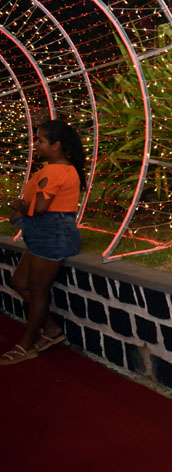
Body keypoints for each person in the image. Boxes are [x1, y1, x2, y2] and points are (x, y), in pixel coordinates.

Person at [1, 119, 85, 365]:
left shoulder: (57, 171)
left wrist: (21, 207)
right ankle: (51, 329)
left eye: (40, 140)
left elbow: (39, 208)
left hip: (53, 236)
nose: (36, 144)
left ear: (56, 145)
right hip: (43, 235)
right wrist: (22, 207)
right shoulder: (52, 169)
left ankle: (26, 345)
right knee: (19, 282)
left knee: (38, 291)